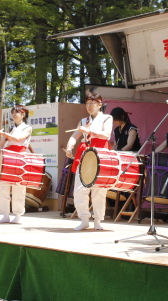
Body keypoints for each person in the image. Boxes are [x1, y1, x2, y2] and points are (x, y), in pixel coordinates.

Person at [65, 89, 113, 231]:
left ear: (100, 104)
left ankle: (98, 220)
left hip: (100, 154)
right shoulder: (83, 121)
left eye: (93, 103)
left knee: (99, 190)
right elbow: (75, 135)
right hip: (85, 155)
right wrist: (70, 146)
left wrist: (90, 131)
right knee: (80, 189)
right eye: (87, 103)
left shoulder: (107, 118)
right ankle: (84, 219)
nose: (90, 106)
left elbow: (106, 135)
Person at [0, 105, 32, 224]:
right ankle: (5, 214)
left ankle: (18, 215)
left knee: (18, 187)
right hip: (7, 158)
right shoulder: (9, 128)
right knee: (3, 186)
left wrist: (5, 134)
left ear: (23, 114)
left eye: (16, 113)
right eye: (12, 113)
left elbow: (19, 139)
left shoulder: (27, 128)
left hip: (20, 158)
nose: (14, 115)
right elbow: (1, 144)